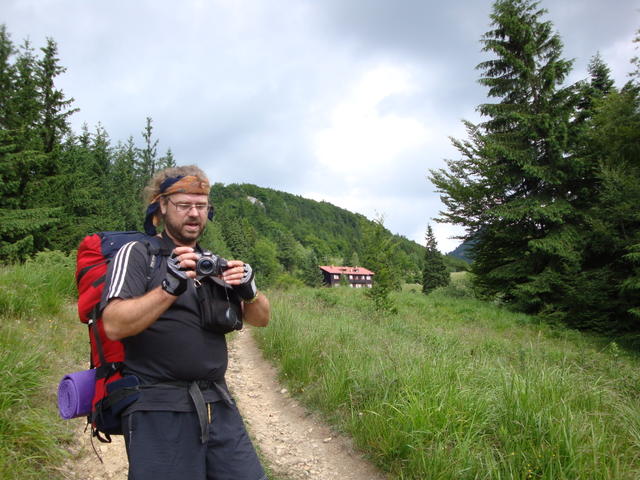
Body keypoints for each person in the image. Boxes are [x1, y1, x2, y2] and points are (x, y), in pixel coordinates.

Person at [100, 165, 269, 480]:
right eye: (184, 205)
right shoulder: (138, 254)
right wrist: (169, 288)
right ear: (162, 206)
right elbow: (113, 324)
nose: (194, 213)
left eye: (201, 206)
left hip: (216, 402)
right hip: (157, 405)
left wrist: (251, 291)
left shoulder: (211, 263)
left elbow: (261, 319)